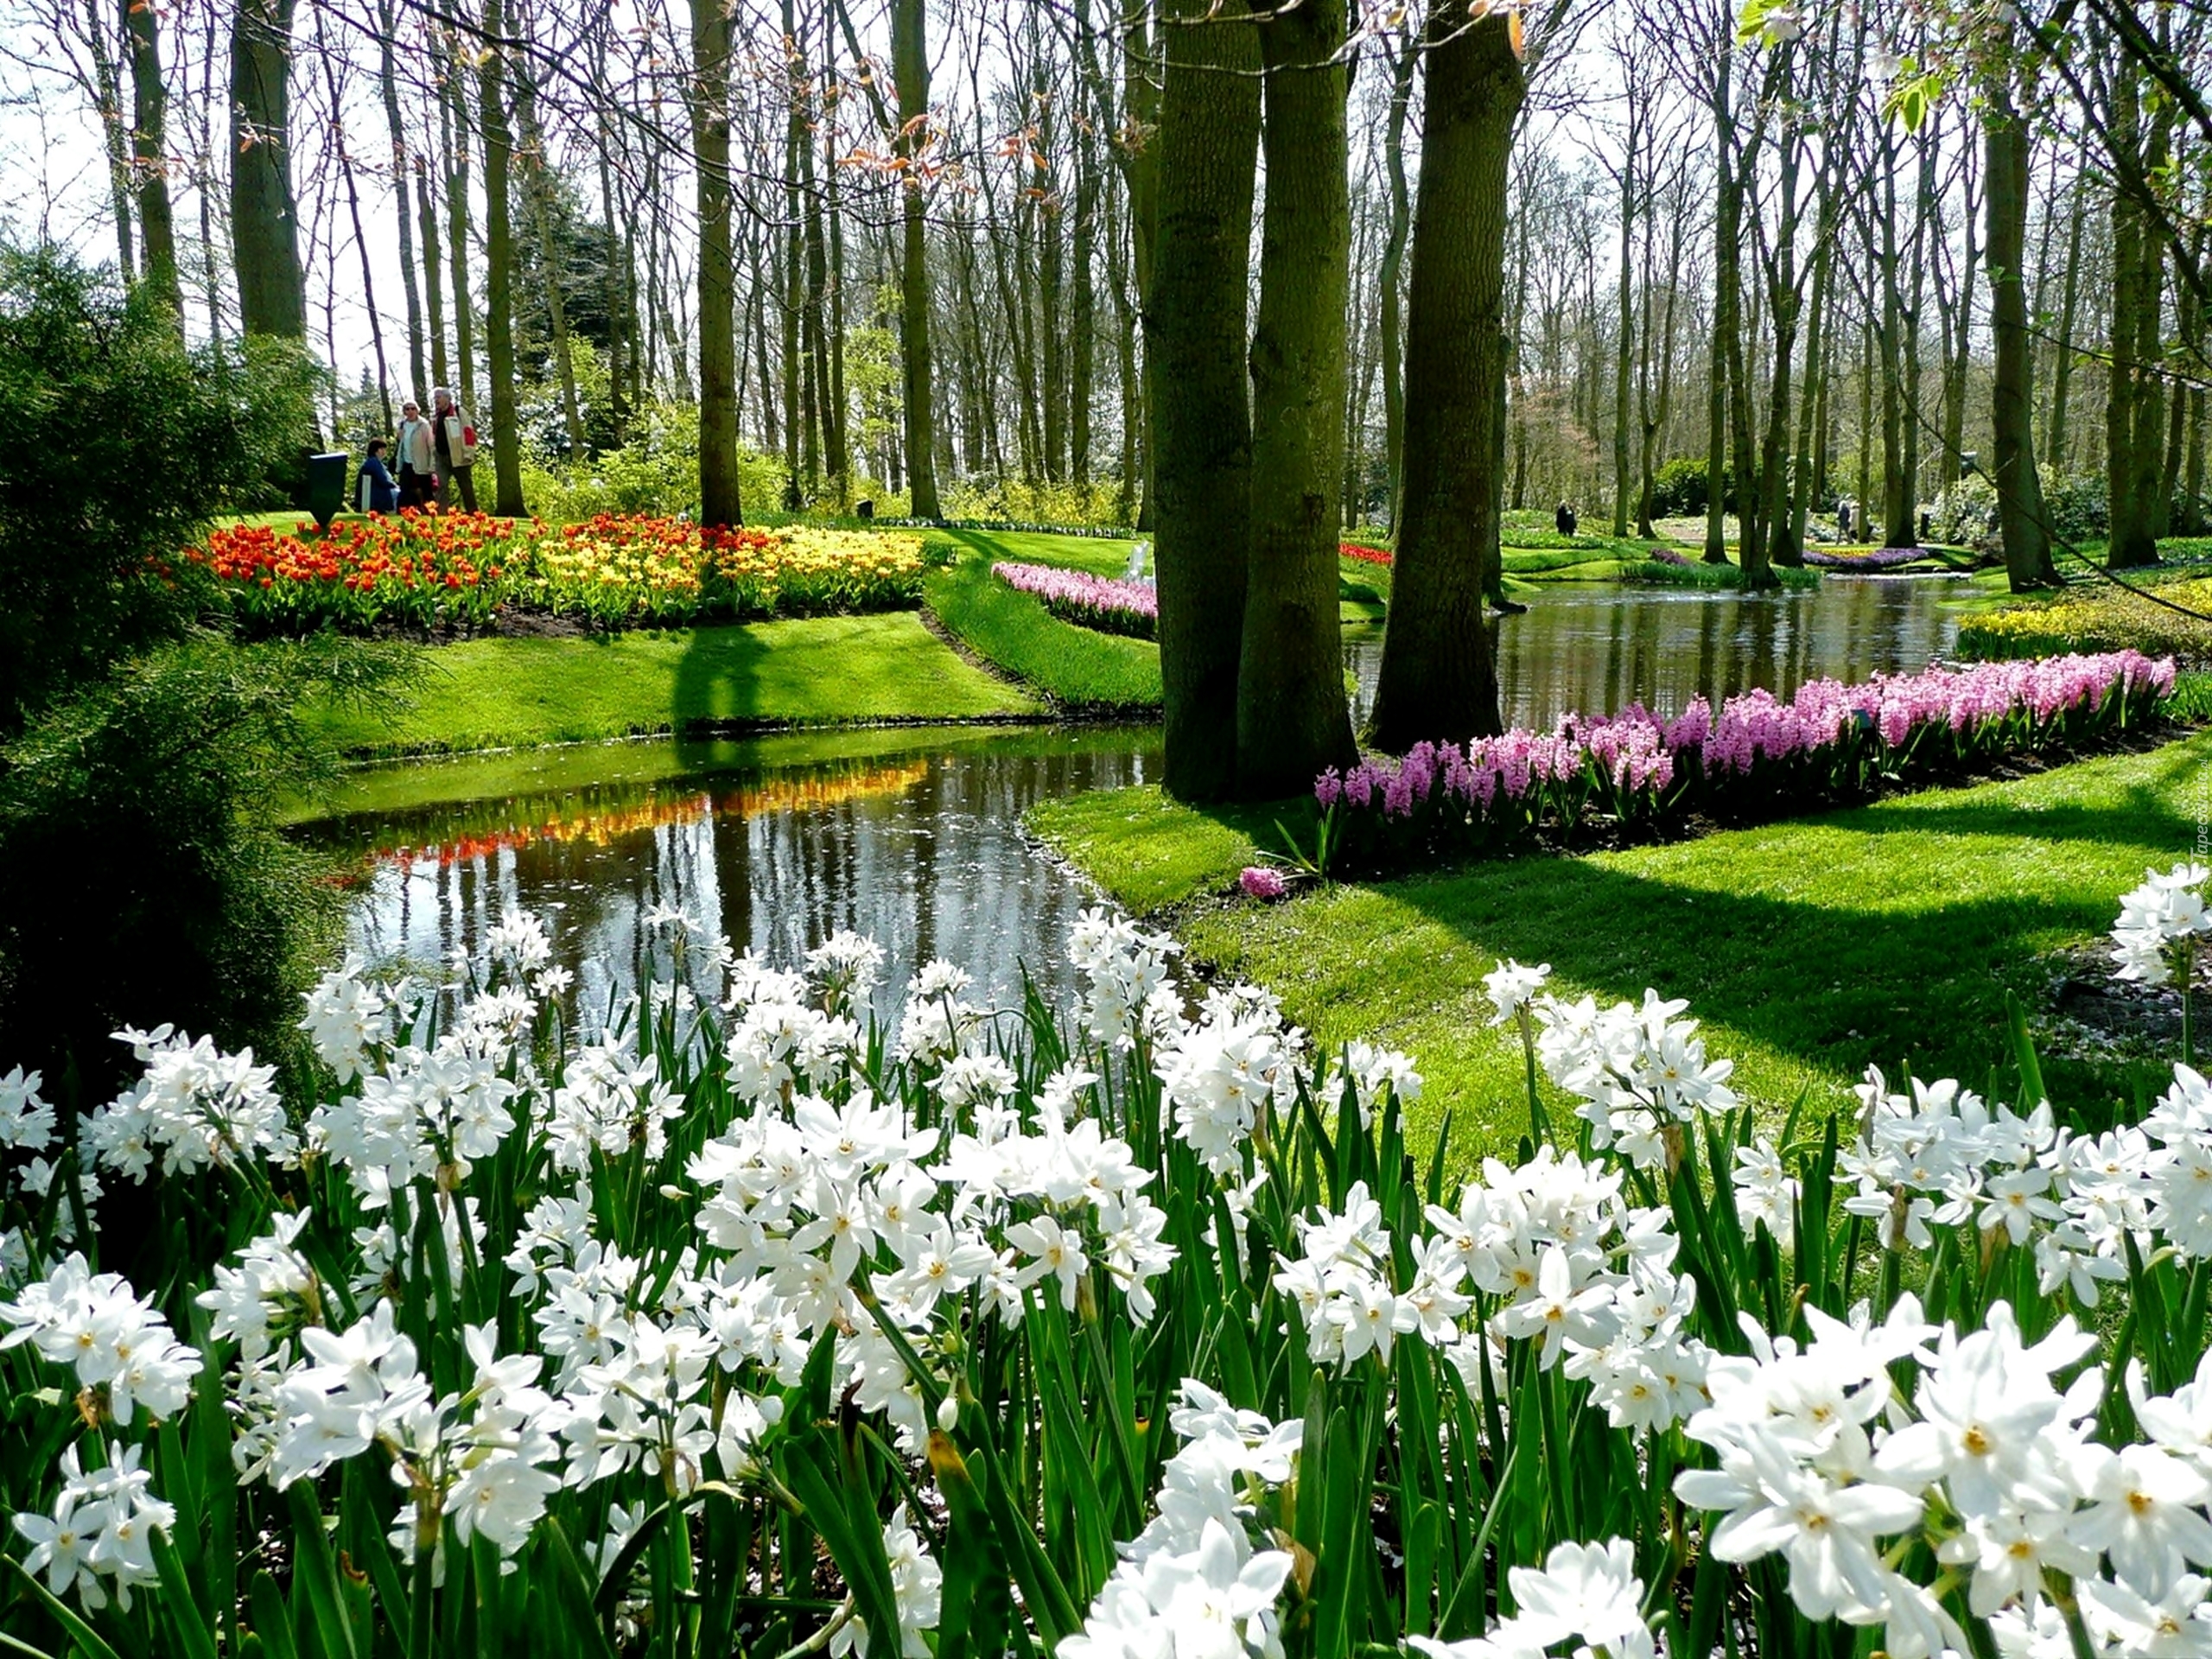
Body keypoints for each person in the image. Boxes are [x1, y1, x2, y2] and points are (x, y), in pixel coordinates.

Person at [431, 387, 478, 513]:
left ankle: (474, 514)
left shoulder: (459, 412)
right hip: (441, 457)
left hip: (458, 456)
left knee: (465, 487)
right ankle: (441, 515)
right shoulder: (436, 416)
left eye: (438, 397)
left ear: (447, 398)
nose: (436, 400)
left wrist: (468, 452)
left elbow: (468, 432)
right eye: (435, 397)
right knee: (440, 486)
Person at [394, 400, 435, 510]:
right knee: (404, 491)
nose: (410, 411)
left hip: (422, 463)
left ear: (418, 410)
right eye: (407, 409)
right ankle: (403, 514)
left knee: (427, 492)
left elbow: (431, 446)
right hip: (406, 463)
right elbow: (401, 445)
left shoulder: (424, 425)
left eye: (413, 408)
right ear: (404, 412)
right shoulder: (402, 425)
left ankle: (431, 514)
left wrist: (432, 465)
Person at [357, 439, 400, 514]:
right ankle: (393, 513)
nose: (384, 452)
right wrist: (395, 485)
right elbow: (383, 481)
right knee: (400, 494)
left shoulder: (372, 462)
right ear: (376, 450)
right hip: (375, 495)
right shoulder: (374, 463)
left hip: (374, 492)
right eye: (382, 449)